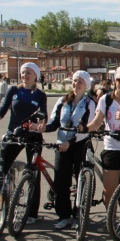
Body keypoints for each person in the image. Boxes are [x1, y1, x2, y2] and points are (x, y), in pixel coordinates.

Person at [0, 63, 48, 225]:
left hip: (33, 137)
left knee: (33, 173)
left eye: (28, 73)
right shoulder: (13, 91)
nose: (25, 75)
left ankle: (32, 213)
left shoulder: (40, 95)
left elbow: (43, 117)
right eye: (23, 72)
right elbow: (1, 112)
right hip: (14, 135)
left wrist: (39, 126)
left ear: (36, 76)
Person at [32, 70, 96, 229]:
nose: (76, 84)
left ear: (86, 85)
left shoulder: (89, 103)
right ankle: (64, 215)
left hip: (80, 144)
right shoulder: (62, 101)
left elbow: (86, 128)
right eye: (74, 81)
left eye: (80, 82)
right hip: (62, 145)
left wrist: (71, 142)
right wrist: (43, 128)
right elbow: (54, 123)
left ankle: (79, 214)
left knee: (82, 181)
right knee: (61, 181)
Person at [84, 66, 120, 211]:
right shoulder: (106, 100)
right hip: (112, 147)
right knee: (109, 190)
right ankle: (111, 219)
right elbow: (97, 121)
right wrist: (84, 128)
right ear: (115, 81)